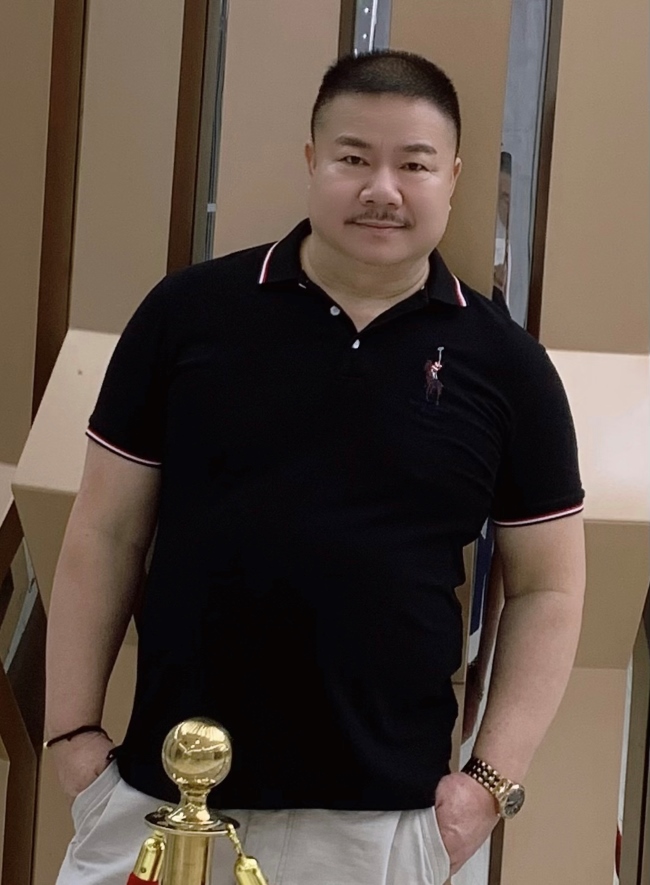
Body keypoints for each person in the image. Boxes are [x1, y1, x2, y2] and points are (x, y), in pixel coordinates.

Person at [47, 50, 585, 885]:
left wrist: (488, 781)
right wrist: (74, 734)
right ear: (311, 161)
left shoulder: (507, 366)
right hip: (166, 798)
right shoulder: (187, 315)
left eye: (414, 165)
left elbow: (549, 586)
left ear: (452, 177)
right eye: (353, 158)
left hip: (386, 825)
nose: (383, 189)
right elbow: (105, 532)